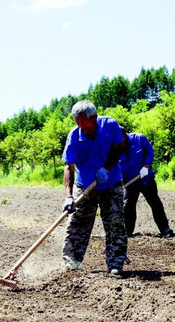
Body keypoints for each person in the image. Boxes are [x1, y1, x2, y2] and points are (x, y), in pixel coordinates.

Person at [61, 100, 128, 276]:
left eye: (86, 124)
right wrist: (69, 196)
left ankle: (116, 263)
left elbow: (119, 147)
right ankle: (71, 262)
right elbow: (69, 166)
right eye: (79, 125)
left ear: (95, 118)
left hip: (111, 182)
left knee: (115, 223)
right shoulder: (74, 136)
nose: (84, 129)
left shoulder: (110, 125)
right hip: (84, 185)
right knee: (77, 224)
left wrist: (106, 167)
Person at [119, 127, 173, 237]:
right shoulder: (115, 147)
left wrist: (146, 166)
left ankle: (165, 229)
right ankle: (127, 231)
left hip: (145, 178)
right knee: (128, 205)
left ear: (125, 135)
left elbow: (149, 151)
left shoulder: (139, 139)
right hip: (130, 181)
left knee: (155, 202)